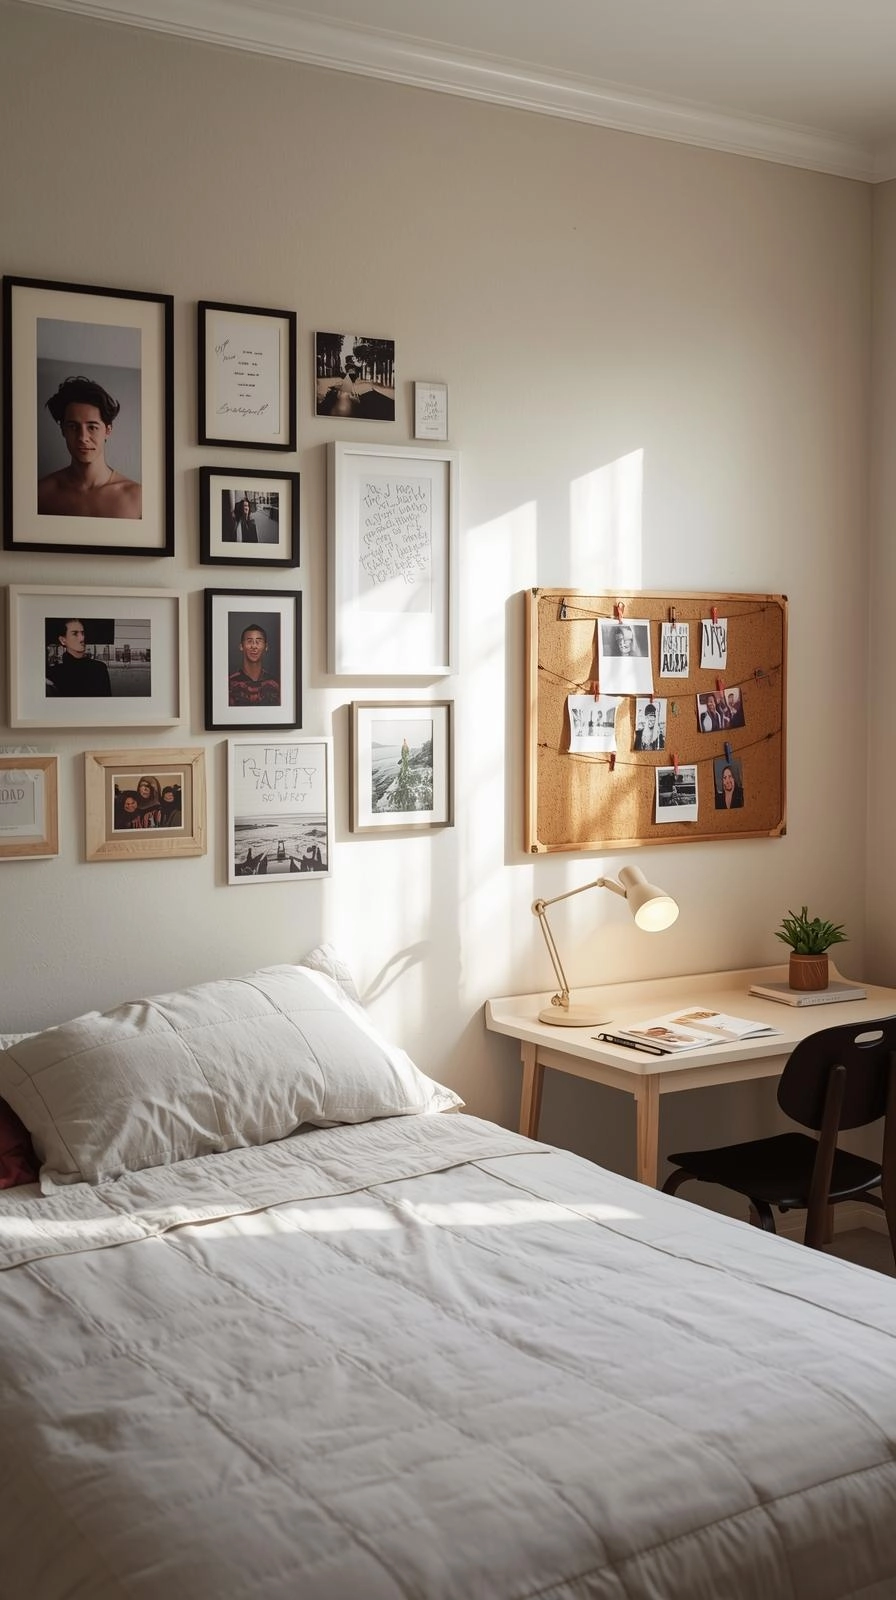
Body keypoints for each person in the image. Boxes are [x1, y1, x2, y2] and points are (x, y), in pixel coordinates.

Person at [38, 376, 141, 519]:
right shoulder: (41, 493)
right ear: (63, 430)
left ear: (108, 430)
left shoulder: (137, 498)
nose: (82, 437)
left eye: (92, 427)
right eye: (73, 427)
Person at [46, 618, 112, 697]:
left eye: (83, 633)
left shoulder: (99, 668)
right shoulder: (53, 674)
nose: (82, 638)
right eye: (75, 634)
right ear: (63, 640)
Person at [228, 623, 281, 707]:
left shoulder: (276, 684)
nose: (254, 646)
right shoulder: (229, 684)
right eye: (249, 641)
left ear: (266, 647)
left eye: (258, 641)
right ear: (241, 646)